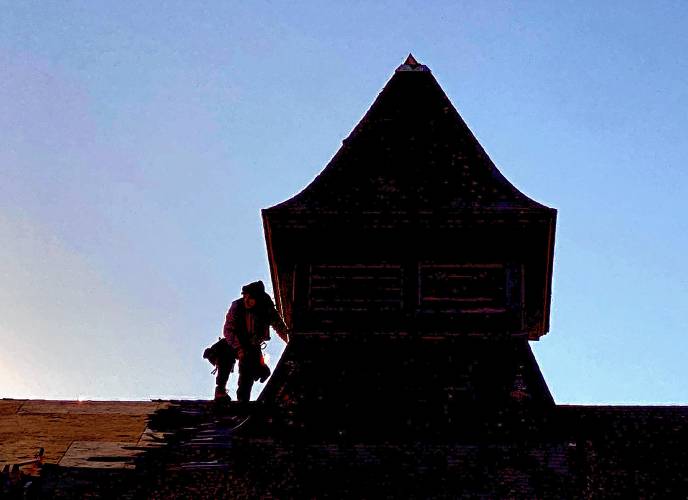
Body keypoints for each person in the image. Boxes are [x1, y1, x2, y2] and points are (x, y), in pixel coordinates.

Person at [213, 280, 289, 402]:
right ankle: (220, 391)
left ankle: (243, 401)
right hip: (234, 342)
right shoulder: (237, 306)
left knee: (247, 373)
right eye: (245, 297)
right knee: (223, 351)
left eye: (250, 299)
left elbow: (279, 326)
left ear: (258, 300)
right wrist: (239, 348)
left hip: (252, 346)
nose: (246, 301)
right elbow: (228, 330)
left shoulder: (266, 308)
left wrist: (289, 340)